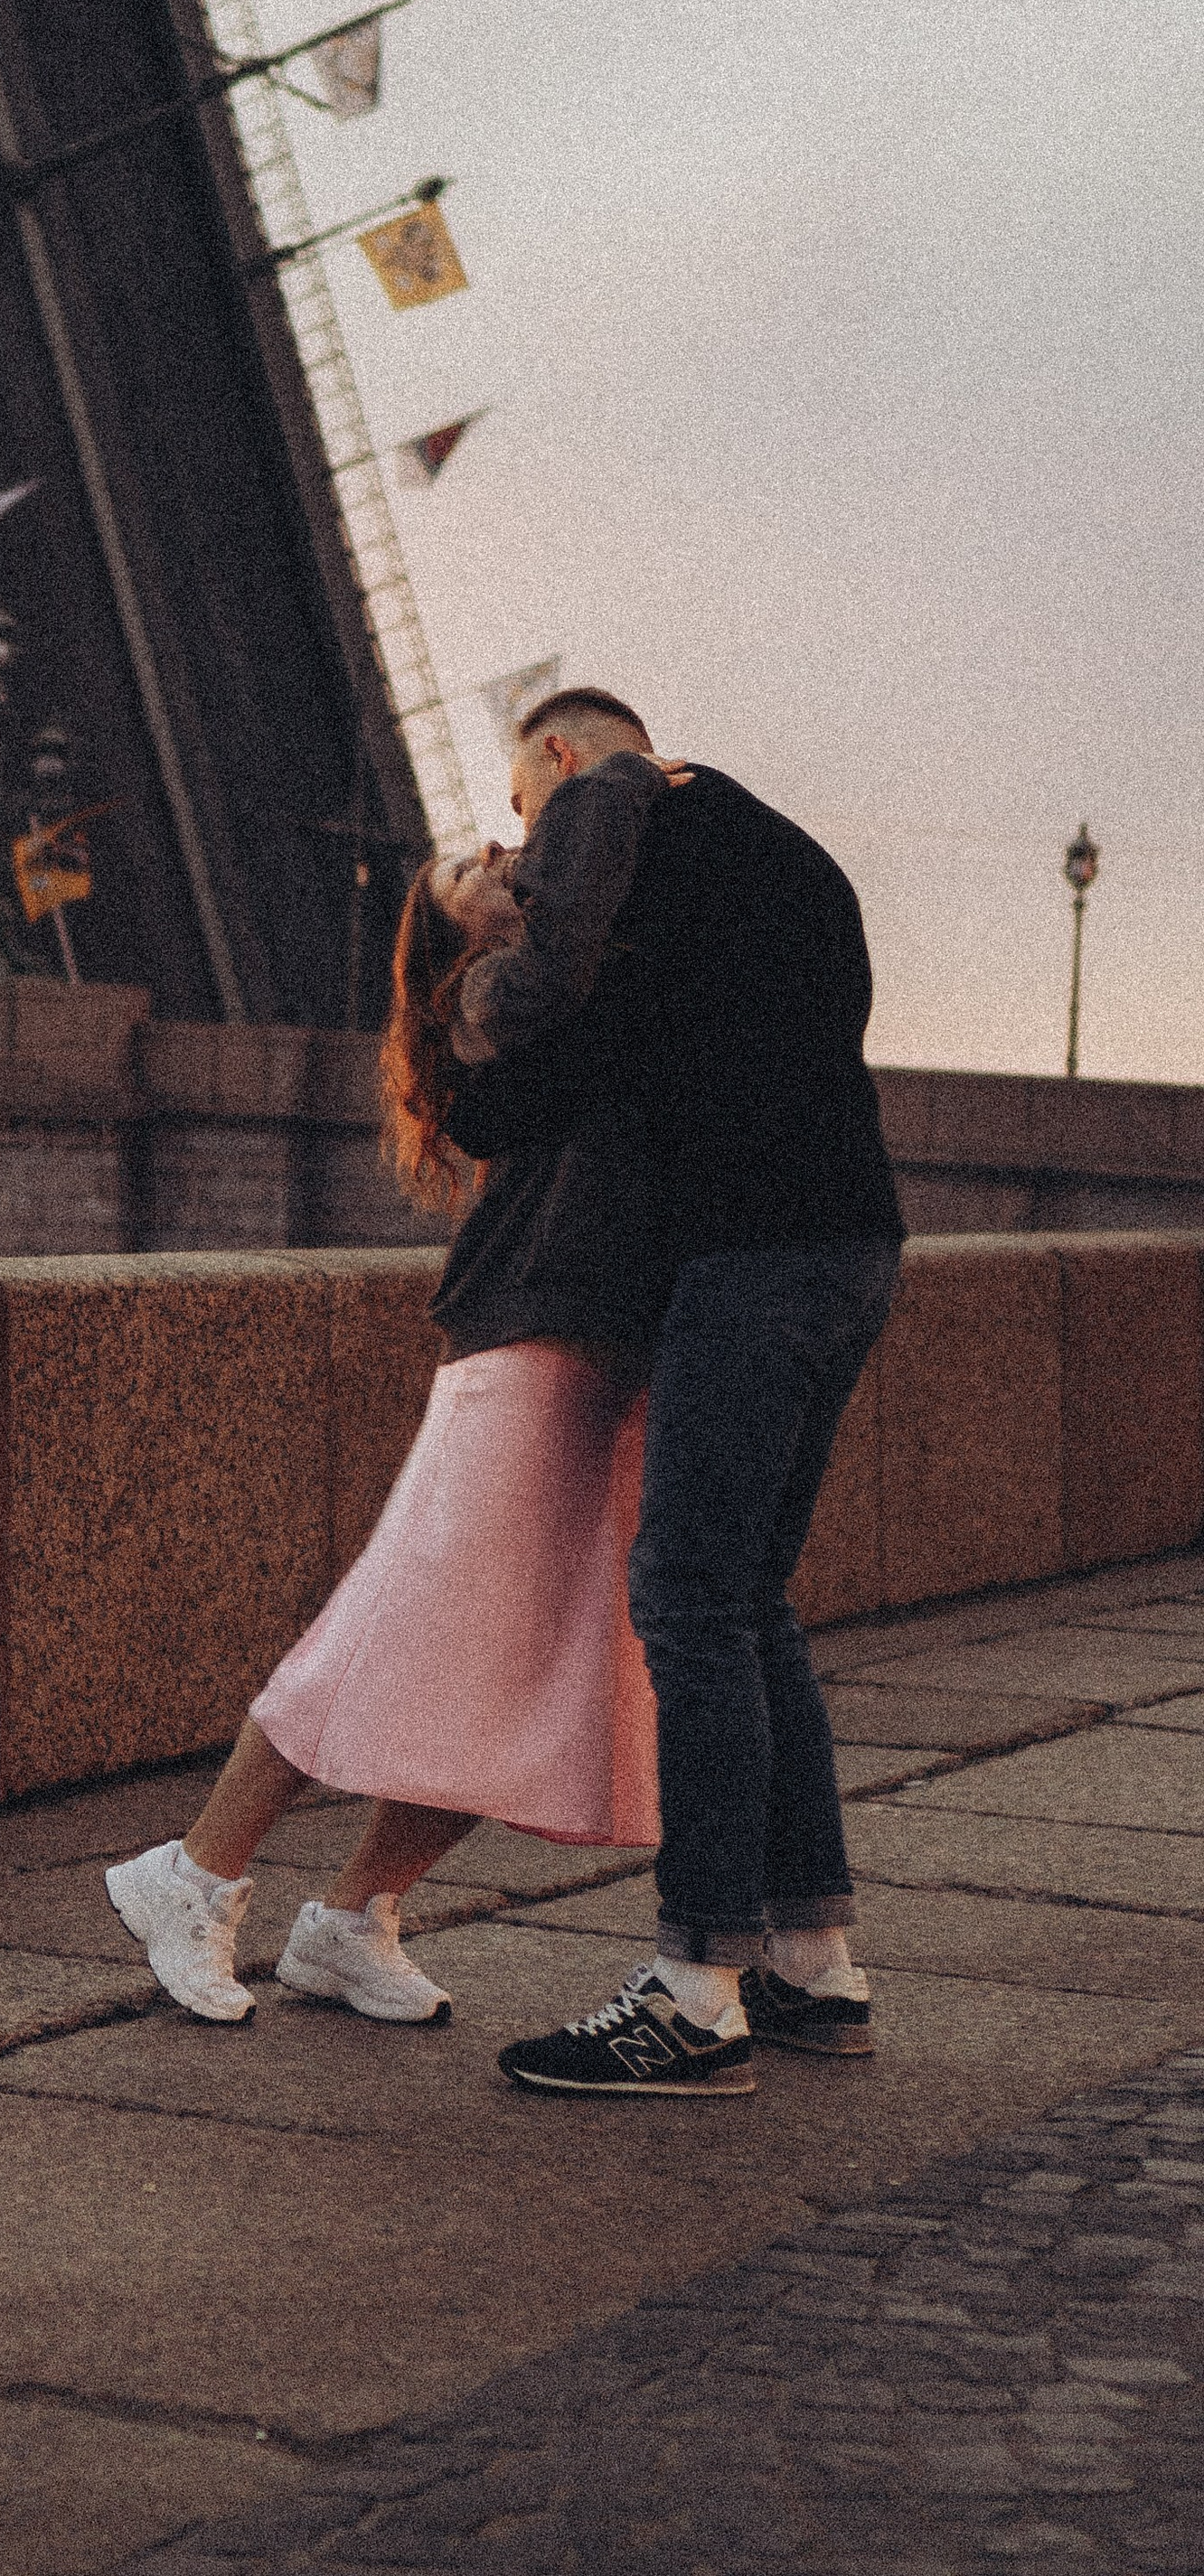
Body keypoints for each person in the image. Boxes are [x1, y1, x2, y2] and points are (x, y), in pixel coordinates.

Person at [105, 847, 670, 2026]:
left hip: (601, 1353)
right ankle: (191, 1877)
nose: (504, 856)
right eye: (473, 864)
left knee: (519, 1675)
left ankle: (350, 1919)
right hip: (517, 1349)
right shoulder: (490, 999)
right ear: (449, 935)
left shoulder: (583, 980)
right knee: (384, 1633)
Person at [456, 689, 905, 2100]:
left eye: (524, 816)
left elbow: (553, 1000)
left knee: (696, 1604)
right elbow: (640, 1041)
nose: (524, 854)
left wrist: (480, 992)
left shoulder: (616, 797)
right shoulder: (774, 864)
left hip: (756, 1255)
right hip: (849, 1240)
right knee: (752, 1601)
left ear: (561, 759)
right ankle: (812, 1967)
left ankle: (695, 1991)